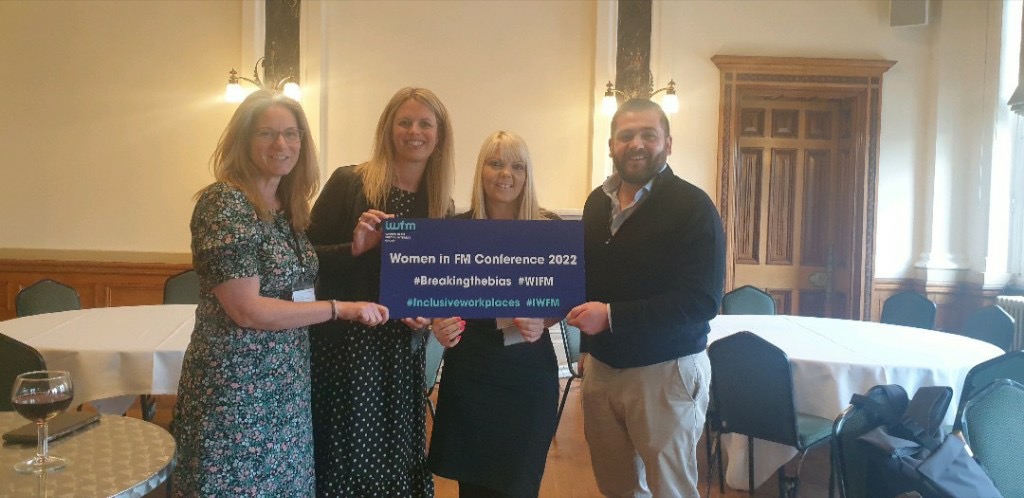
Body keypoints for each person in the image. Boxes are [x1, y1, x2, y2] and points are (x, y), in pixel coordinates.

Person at [172, 90, 389, 496]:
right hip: (236, 392)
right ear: (243, 139)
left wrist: (354, 249)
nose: (281, 144)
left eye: (291, 133)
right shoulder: (225, 203)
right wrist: (340, 308)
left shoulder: (287, 208)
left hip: (286, 387)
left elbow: (293, 283)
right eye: (266, 133)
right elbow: (247, 309)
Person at [566, 98, 726, 498]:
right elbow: (589, 280)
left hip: (666, 372)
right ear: (611, 146)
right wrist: (587, 347)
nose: (636, 144)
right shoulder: (596, 203)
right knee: (616, 487)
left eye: (648, 135)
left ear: (667, 143)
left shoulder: (693, 207)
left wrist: (612, 317)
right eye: (626, 136)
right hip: (602, 371)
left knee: (670, 490)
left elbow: (702, 300)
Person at [306, 87, 455, 497]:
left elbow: (436, 283)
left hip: (399, 354)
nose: (414, 132)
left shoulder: (441, 205)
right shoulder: (349, 183)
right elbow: (301, 259)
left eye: (425, 124)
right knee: (343, 458)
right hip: (344, 350)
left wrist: (426, 312)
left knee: (393, 459)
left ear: (439, 135)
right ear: (388, 129)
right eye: (404, 122)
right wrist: (352, 249)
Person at [427, 131, 560, 498]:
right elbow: (435, 295)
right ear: (481, 171)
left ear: (527, 174)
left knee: (519, 485)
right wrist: (439, 322)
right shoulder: (455, 229)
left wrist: (543, 319)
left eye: (517, 166)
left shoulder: (549, 230)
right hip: (470, 372)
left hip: (528, 374)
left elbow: (565, 301)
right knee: (473, 488)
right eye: (496, 163)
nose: (506, 174)